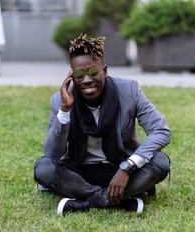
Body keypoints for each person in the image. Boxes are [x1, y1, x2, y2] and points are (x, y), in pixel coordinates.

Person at [34, 33, 171, 215]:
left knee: (160, 163)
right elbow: (52, 154)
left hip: (120, 167)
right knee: (44, 168)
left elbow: (161, 131)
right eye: (79, 75)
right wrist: (65, 110)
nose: (87, 80)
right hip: (79, 172)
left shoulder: (129, 91)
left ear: (104, 70)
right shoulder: (59, 101)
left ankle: (83, 203)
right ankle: (117, 199)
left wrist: (128, 167)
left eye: (92, 72)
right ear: (71, 76)